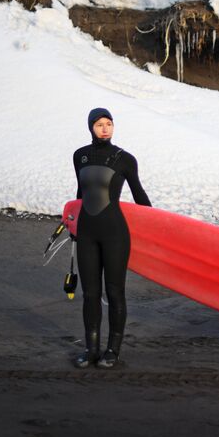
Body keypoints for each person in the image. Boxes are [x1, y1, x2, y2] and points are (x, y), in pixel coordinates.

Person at [72, 107, 152, 368]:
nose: (105, 128)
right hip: (86, 234)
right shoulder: (80, 156)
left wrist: (157, 227)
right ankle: (91, 349)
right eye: (99, 124)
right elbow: (80, 195)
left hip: (115, 235)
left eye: (109, 123)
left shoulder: (125, 159)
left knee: (115, 292)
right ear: (90, 128)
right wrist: (71, 223)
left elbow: (139, 197)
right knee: (90, 294)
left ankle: (112, 350)